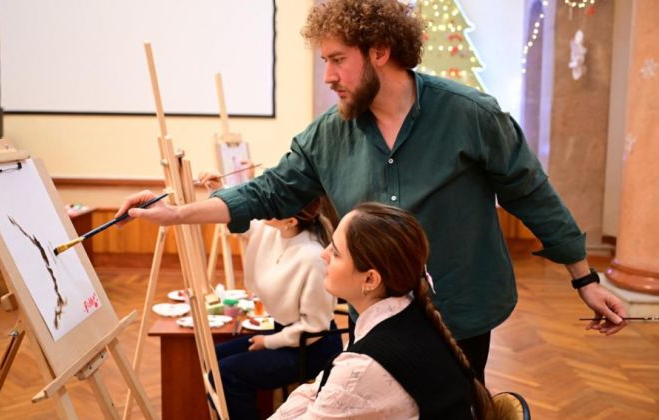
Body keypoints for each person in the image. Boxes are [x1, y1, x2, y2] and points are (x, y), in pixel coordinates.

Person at [117, 0, 627, 383]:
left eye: (338, 59)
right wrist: (175, 212)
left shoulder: (470, 114)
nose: (328, 76)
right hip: (377, 318)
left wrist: (584, 278)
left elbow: (531, 192)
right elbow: (268, 192)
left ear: (380, 51)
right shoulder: (328, 134)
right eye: (324, 61)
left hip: (462, 311)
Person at [272, 202, 492, 419]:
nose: (324, 254)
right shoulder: (405, 312)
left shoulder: (365, 365)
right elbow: (322, 388)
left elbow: (323, 391)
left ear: (370, 279)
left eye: (336, 253)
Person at [200, 171, 343, 420]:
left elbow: (314, 328)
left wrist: (268, 342)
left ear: (290, 221)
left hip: (309, 347)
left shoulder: (312, 258)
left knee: (224, 374)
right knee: (213, 357)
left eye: (273, 204)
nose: (266, 205)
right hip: (284, 332)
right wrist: (219, 190)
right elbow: (241, 220)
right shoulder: (272, 230)